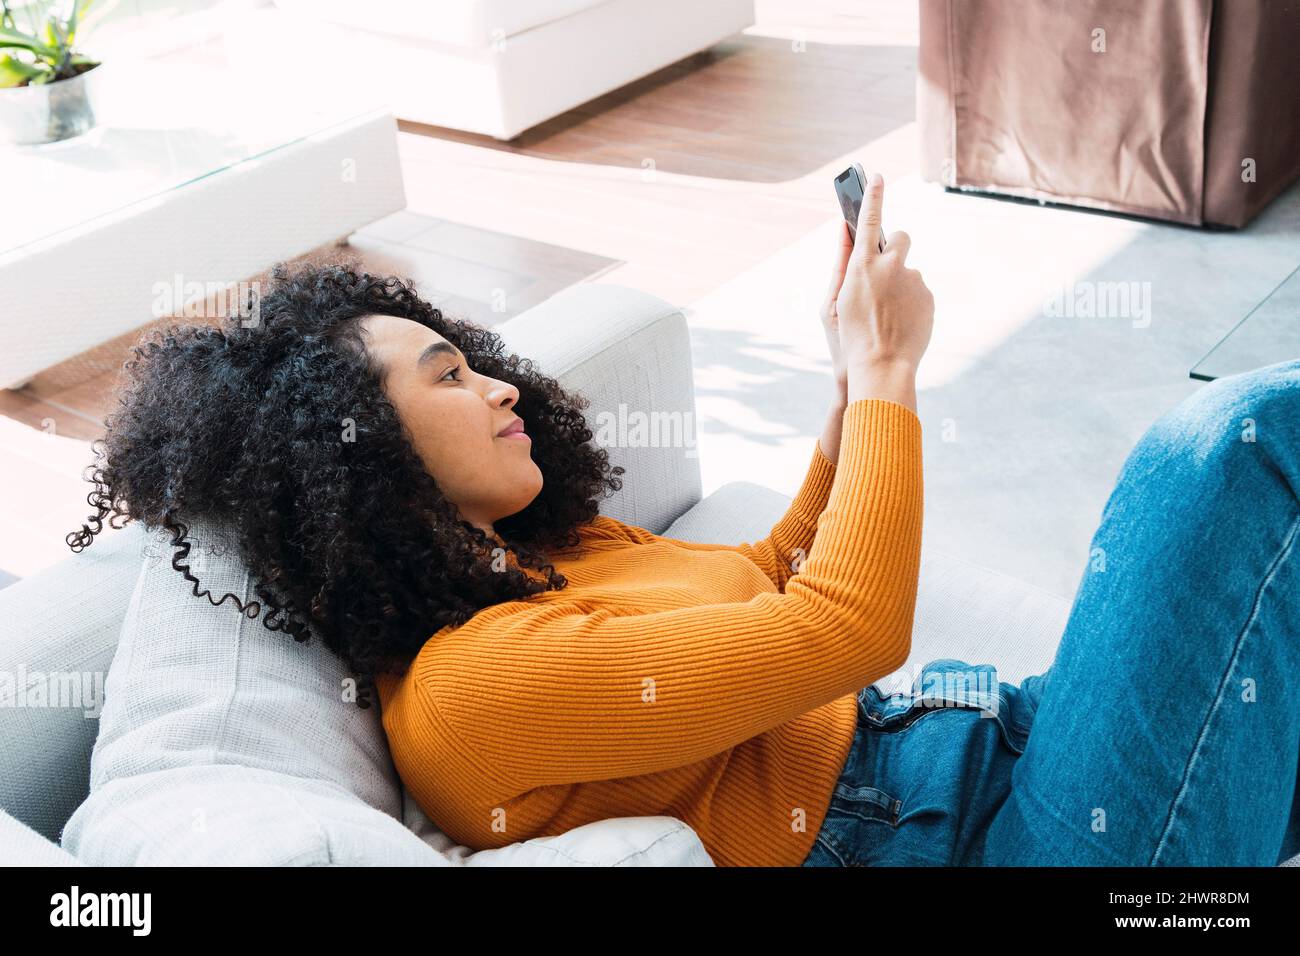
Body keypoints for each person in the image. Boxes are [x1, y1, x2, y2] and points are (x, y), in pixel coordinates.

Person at [69, 174, 1300, 867]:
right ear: (358, 457)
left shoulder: (541, 560)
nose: (499, 383)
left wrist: (841, 380)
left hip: (1001, 747)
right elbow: (849, 626)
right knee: (1229, 447)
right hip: (998, 846)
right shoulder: (471, 689)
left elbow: (778, 571)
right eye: (447, 375)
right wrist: (888, 374)